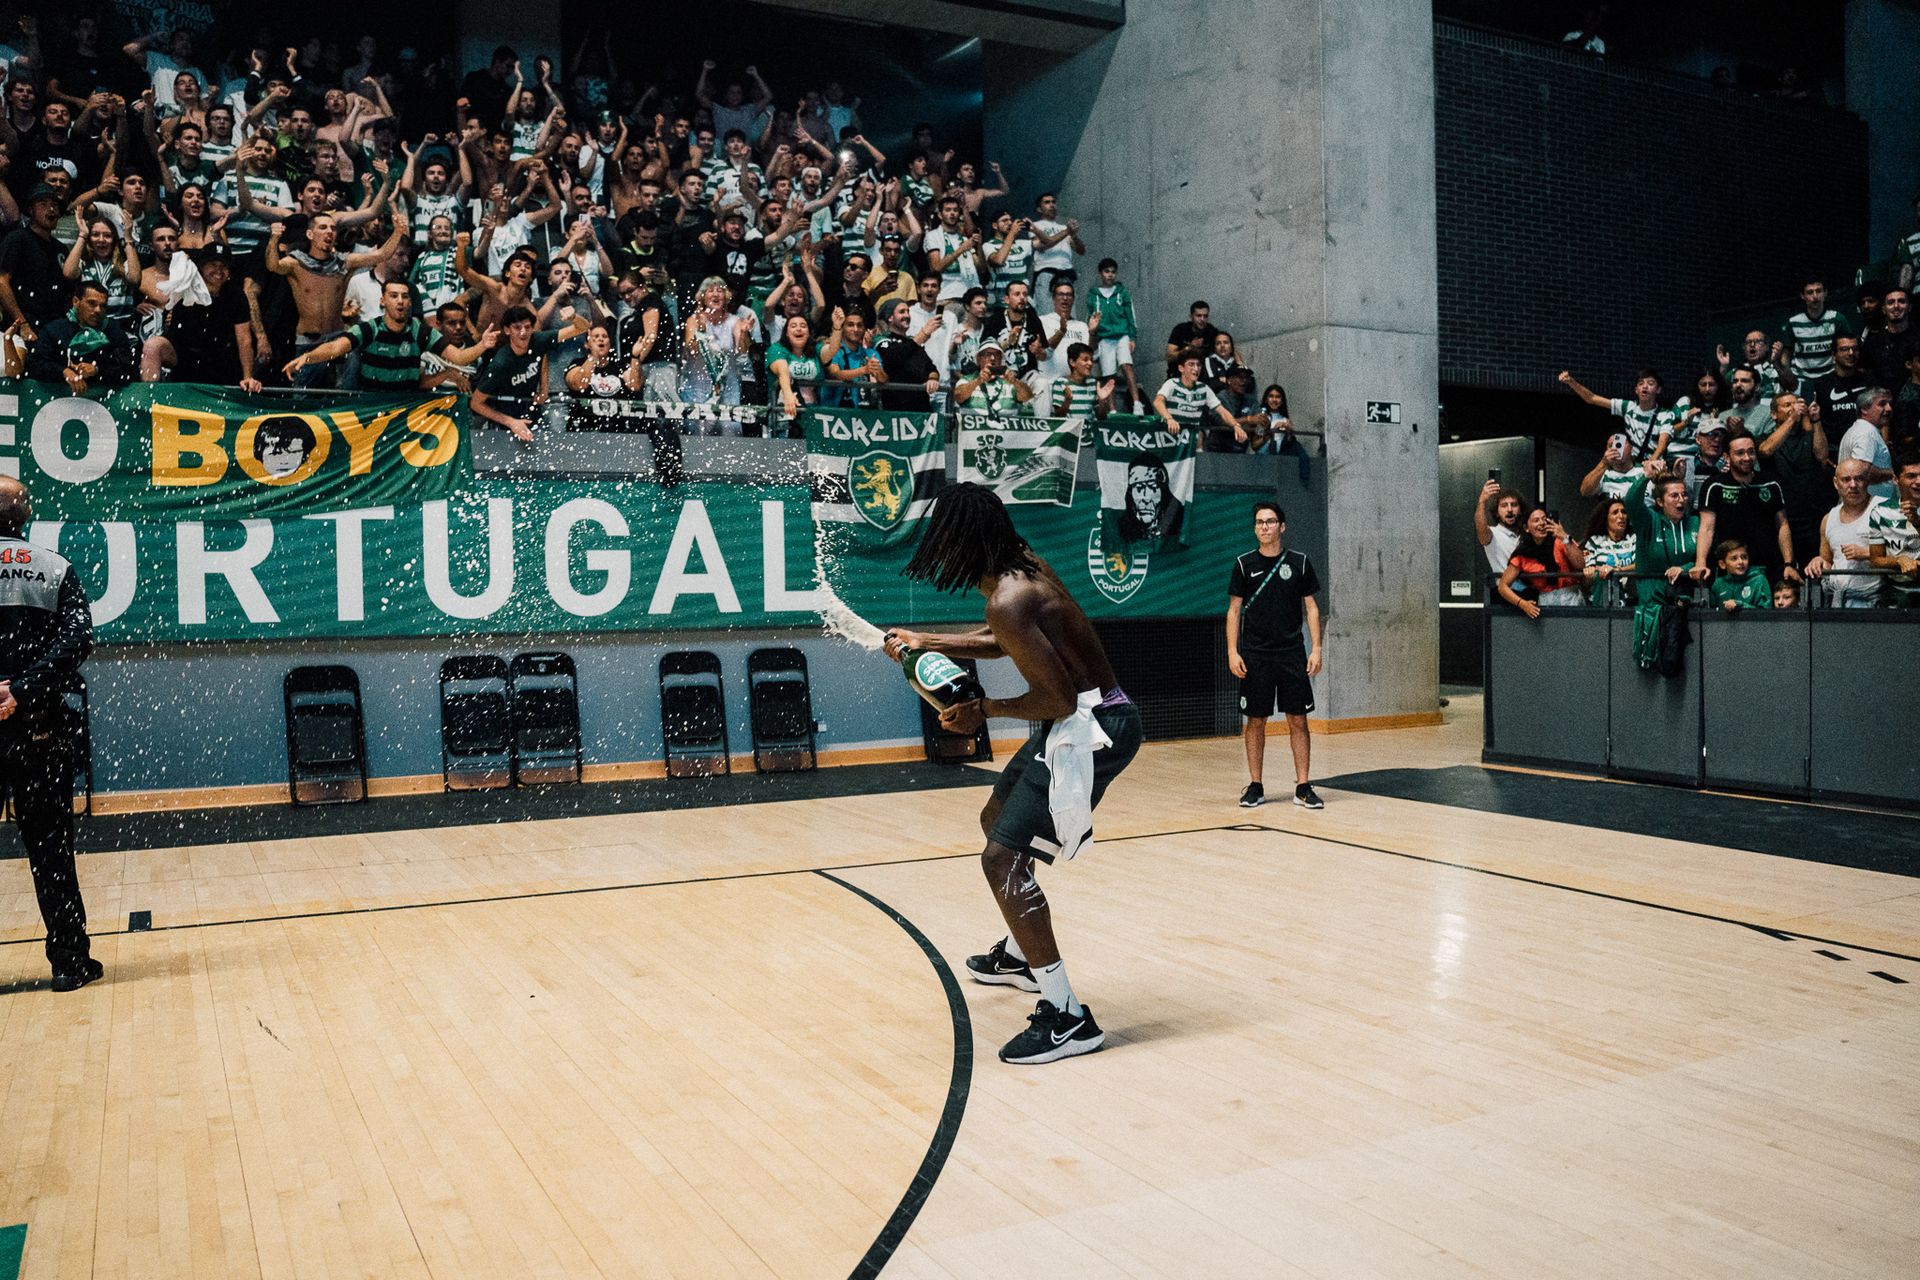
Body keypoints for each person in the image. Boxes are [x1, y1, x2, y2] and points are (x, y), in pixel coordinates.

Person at [881, 483, 1143, 1064]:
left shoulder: (1008, 597)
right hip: (1086, 717)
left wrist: (983, 712)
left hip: (1092, 728)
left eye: (941, 536)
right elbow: (1008, 644)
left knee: (1001, 859)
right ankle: (1024, 958)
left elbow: (1052, 699)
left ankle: (1067, 1016)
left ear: (960, 542)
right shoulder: (1021, 568)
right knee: (996, 817)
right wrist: (930, 639)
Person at [0, 475, 99, 992]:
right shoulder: (52, 567)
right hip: (37, 730)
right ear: (24, 517)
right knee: (51, 848)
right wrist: (21, 690)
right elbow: (79, 638)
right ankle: (69, 962)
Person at [1225, 501, 1323, 810]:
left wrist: (1316, 648)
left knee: (1298, 720)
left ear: (1282, 527)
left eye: (1269, 522)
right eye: (1259, 522)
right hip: (1255, 656)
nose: (1264, 527)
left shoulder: (1300, 562)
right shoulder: (1243, 564)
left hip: (1292, 654)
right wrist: (1232, 651)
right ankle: (1255, 785)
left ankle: (1303, 786)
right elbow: (1234, 611)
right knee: (1256, 721)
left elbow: (1311, 608)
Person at [286, 278, 495, 390]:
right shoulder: (370, 328)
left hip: (406, 406)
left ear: (410, 302)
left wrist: (482, 345)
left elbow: (458, 357)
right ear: (383, 301)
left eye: (405, 296)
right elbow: (335, 347)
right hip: (372, 404)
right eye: (393, 296)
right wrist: (308, 356)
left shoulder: (421, 332)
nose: (400, 301)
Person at [1622, 462, 1703, 668]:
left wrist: (1684, 568)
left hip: (1691, 604)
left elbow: (1708, 559)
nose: (1681, 500)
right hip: (1654, 606)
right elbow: (1631, 502)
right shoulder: (1649, 521)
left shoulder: (1696, 523)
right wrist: (1645, 476)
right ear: (1659, 501)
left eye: (1684, 495)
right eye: (1674, 496)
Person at [470, 304, 589, 441]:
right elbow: (476, 403)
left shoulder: (538, 340)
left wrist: (544, 388)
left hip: (530, 409)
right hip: (503, 417)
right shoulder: (500, 363)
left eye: (527, 327)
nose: (523, 332)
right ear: (507, 330)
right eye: (517, 327)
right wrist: (511, 422)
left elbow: (583, 327)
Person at [1693, 431, 1798, 586]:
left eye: (1751, 452)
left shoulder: (1770, 483)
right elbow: (1707, 528)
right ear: (1727, 457)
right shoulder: (1714, 485)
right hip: (1730, 569)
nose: (1747, 458)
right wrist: (1700, 563)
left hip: (1768, 566)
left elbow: (1782, 525)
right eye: (1740, 453)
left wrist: (1789, 564)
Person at [1804, 460, 1882, 608]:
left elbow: (1906, 556)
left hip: (1876, 601)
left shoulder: (1883, 509)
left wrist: (1867, 553)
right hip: (1837, 601)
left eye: (1859, 479)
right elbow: (1827, 561)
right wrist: (1818, 561)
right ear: (1835, 483)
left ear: (1868, 481)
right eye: (1846, 479)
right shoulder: (1829, 519)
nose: (1853, 485)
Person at [1558, 368, 1675, 462]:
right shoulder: (1628, 407)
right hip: (1633, 465)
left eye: (1650, 383)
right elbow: (1592, 398)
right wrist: (1571, 382)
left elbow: (1662, 444)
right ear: (1636, 390)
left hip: (1655, 465)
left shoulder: (1665, 415)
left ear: (1658, 389)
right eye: (1641, 383)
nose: (1645, 386)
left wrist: (1650, 464)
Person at [1497, 506, 1585, 616]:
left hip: (1572, 599)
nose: (1542, 523)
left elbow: (1581, 564)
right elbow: (1502, 586)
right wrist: (1523, 604)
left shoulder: (1560, 542)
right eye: (1536, 520)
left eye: (1544, 519)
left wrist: (1565, 537)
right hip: (1545, 603)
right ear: (1526, 528)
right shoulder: (1522, 555)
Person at [1154, 350, 1244, 444]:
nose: (1196, 368)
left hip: (1188, 444)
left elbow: (1222, 411)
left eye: (1198, 365)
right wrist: (1169, 419)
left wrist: (1236, 425)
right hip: (1168, 439)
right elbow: (1158, 401)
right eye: (1191, 364)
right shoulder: (1172, 383)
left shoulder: (1204, 388)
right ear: (1181, 368)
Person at [1865, 454, 1920, 607]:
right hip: (1896, 590)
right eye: (1911, 476)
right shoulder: (1880, 512)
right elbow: (1876, 559)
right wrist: (1899, 560)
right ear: (1895, 479)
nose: (1919, 481)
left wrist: (1917, 523)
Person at [1085, 257, 1139, 412]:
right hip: (1104, 338)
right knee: (1108, 375)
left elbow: (1131, 316)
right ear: (1100, 273)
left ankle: (1137, 404)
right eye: (1107, 272)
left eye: (1113, 272)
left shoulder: (1122, 292)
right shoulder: (1093, 295)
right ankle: (1112, 410)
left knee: (1127, 367)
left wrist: (1132, 337)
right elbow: (1089, 319)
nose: (1110, 275)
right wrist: (1092, 344)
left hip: (1122, 335)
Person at [1783, 279, 1853, 384]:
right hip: (1801, 379)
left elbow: (1848, 347)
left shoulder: (1837, 319)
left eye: (1819, 291)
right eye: (1810, 292)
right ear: (1803, 296)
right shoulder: (1793, 322)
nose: (1815, 296)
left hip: (1831, 377)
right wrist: (1788, 373)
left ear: (1825, 293)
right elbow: (1786, 354)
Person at [1837, 387, 1896, 502]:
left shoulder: (1860, 429)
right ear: (1864, 409)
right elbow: (1862, 472)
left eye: (1890, 404)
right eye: (1882, 404)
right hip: (1867, 510)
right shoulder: (1866, 433)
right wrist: (1894, 473)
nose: (1889, 408)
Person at [1580, 498, 1637, 606]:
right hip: (1600, 603)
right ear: (1606, 519)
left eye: (1623, 512)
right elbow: (1587, 577)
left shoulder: (1634, 539)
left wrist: (1616, 570)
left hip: (1629, 603)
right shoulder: (1594, 542)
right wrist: (1592, 572)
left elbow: (1640, 564)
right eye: (1615, 513)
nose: (1621, 516)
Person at [1473, 478, 1524, 573]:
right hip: (1504, 586)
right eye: (1504, 505)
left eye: (1514, 505)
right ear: (1496, 512)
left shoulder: (1526, 533)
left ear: (1520, 510)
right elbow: (1481, 528)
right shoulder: (1493, 534)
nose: (1509, 509)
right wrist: (1482, 501)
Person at [1709, 540, 1771, 612]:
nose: (1741, 562)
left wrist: (1740, 605)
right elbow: (1712, 612)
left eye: (1744, 557)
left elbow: (1766, 613)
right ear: (1722, 564)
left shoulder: (1759, 580)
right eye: (1734, 558)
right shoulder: (1718, 584)